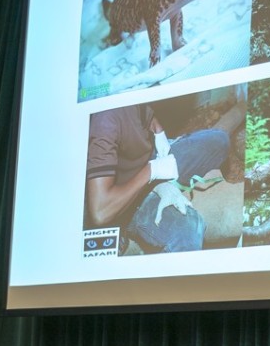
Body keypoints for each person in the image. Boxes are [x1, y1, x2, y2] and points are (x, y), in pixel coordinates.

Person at [84, 103, 229, 254]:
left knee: (219, 140)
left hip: (149, 161)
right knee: (189, 230)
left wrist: (159, 132)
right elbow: (100, 212)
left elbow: (145, 114)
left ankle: (160, 177)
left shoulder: (132, 97)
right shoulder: (104, 121)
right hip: (125, 197)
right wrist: (153, 171)